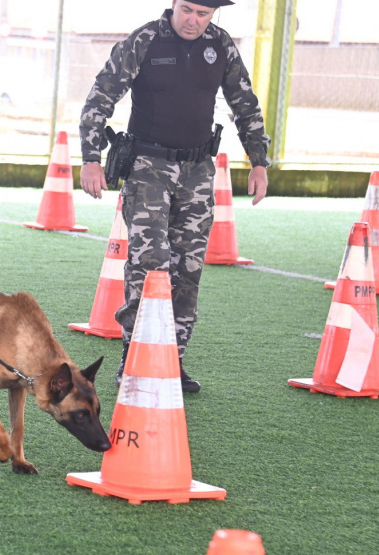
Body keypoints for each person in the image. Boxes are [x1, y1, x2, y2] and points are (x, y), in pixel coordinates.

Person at [79, 0, 270, 393]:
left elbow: (244, 102)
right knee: (150, 265)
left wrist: (259, 160)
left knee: (187, 270)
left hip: (198, 171)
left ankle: (171, 362)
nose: (193, 20)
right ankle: (134, 360)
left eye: (203, 14)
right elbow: (101, 96)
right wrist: (90, 158)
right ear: (173, 5)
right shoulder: (146, 40)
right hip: (148, 166)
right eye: (187, 9)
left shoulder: (222, 46)